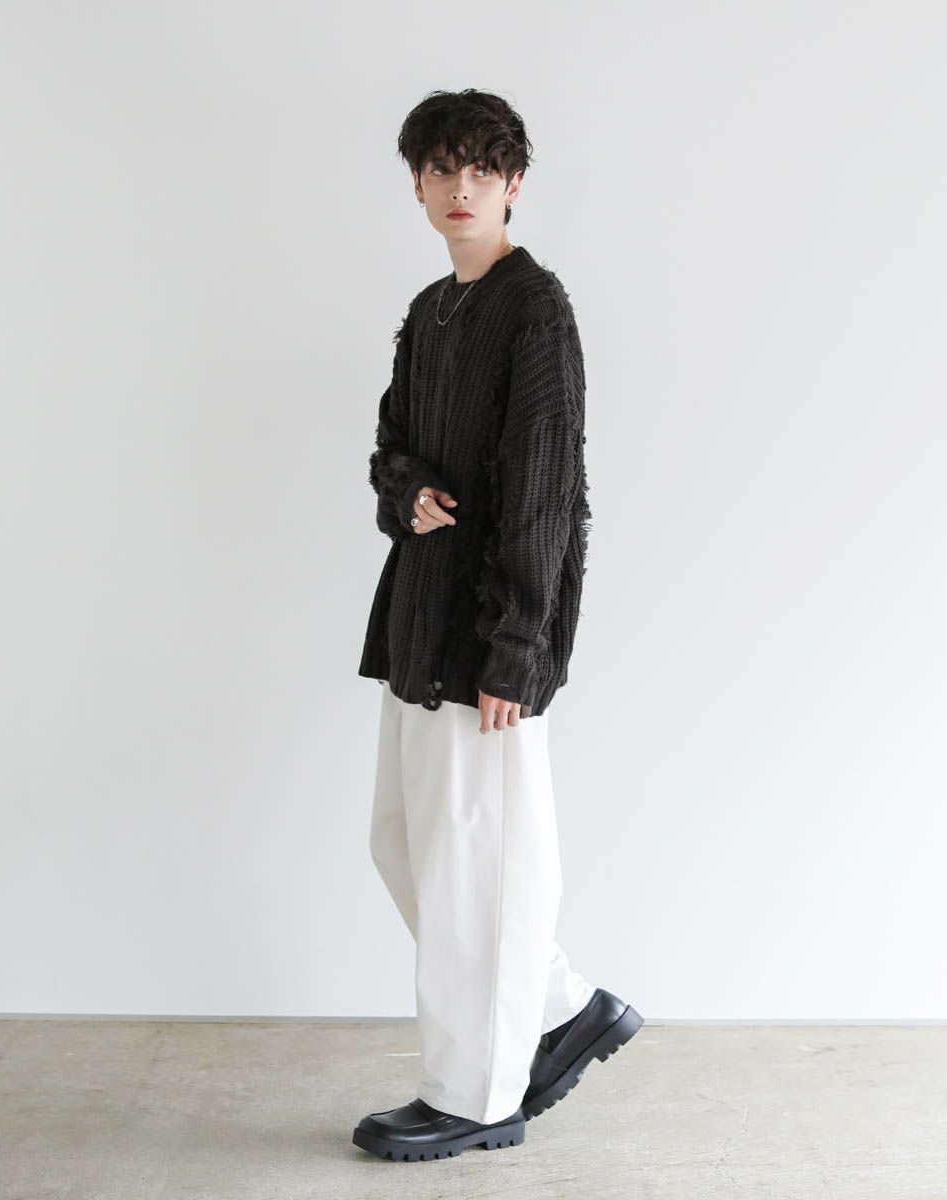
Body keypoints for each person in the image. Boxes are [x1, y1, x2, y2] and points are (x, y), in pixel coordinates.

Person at [353, 89, 643, 1163]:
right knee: (404, 844)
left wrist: (519, 648)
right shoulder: (433, 308)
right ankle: (560, 1007)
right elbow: (390, 441)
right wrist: (405, 491)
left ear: (515, 183)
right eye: (442, 168)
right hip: (421, 623)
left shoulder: (535, 311)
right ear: (418, 183)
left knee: (478, 865)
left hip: (489, 636)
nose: (461, 188)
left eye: (483, 169)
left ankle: (477, 1094)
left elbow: (546, 492)